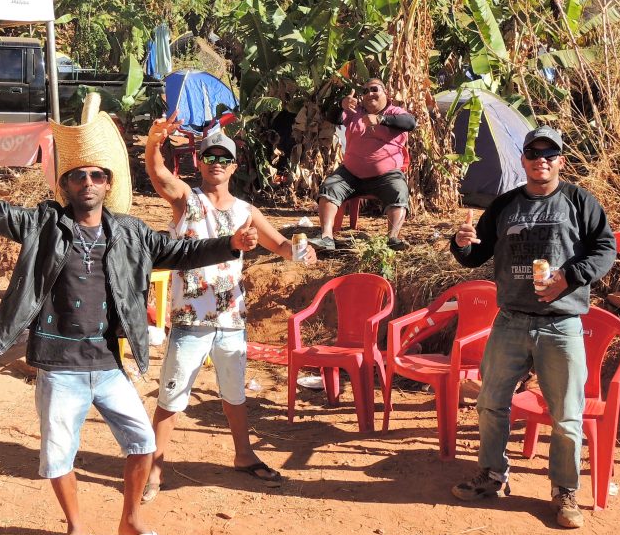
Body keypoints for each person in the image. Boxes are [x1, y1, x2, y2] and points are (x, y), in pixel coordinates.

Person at [0, 113, 259, 535]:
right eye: (79, 176)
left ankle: (131, 522)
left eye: (97, 175)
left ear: (107, 184)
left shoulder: (131, 233)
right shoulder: (43, 224)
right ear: (66, 185)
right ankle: (76, 530)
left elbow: (180, 251)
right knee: (59, 456)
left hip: (109, 365)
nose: (88, 182)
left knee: (143, 443)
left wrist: (231, 244)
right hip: (59, 366)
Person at [448, 125, 616, 529]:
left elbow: (605, 248)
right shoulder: (505, 205)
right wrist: (460, 242)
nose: (541, 159)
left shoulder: (579, 201)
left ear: (560, 160)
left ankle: (564, 493)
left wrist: (570, 276)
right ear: (522, 160)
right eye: (533, 153)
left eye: (549, 153)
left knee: (567, 416)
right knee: (490, 404)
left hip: (561, 325)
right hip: (510, 321)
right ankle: (491, 475)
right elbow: (475, 256)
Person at [142, 117, 316, 503]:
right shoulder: (188, 200)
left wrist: (303, 250)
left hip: (231, 319)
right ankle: (153, 467)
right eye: (210, 156)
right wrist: (155, 143)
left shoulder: (246, 211)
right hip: (191, 318)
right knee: (172, 395)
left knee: (234, 393)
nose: (216, 162)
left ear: (234, 166)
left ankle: (243, 455)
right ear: (199, 163)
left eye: (224, 157)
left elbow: (283, 248)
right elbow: (157, 174)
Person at [308, 78, 417, 251]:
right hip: (350, 174)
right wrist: (341, 105)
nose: (369, 94)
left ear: (385, 93)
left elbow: (411, 123)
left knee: (399, 191)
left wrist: (380, 119)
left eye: (374, 89)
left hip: (386, 175)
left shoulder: (394, 111)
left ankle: (392, 238)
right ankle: (327, 237)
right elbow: (332, 117)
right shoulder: (355, 111)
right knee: (329, 187)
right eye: (365, 91)